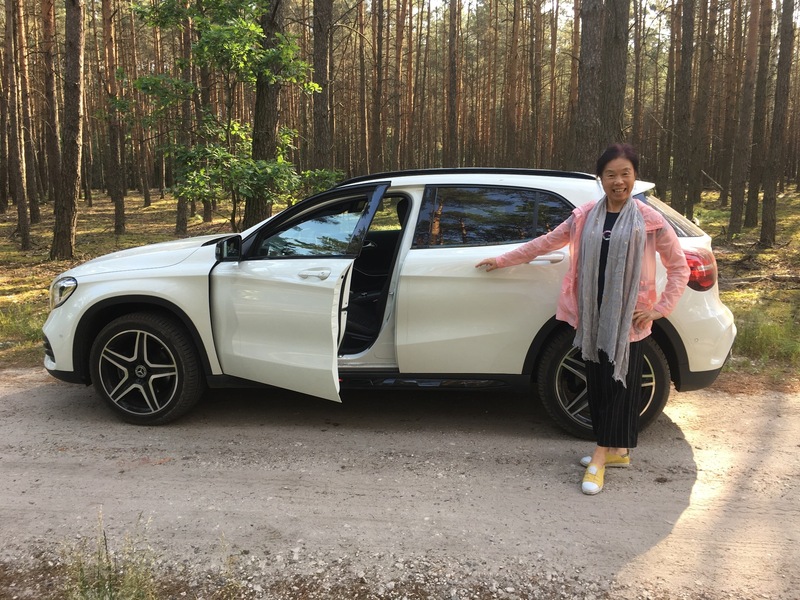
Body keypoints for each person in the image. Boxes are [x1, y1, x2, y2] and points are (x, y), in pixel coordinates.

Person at [475, 144, 690, 495]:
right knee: (601, 385)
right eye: (611, 175)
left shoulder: (650, 221)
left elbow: (678, 266)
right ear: (600, 178)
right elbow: (545, 242)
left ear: (634, 177)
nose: (618, 181)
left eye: (625, 174)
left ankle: (600, 458)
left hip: (627, 321)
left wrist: (660, 308)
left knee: (619, 389)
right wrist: (503, 260)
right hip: (590, 318)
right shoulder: (585, 215)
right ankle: (618, 450)